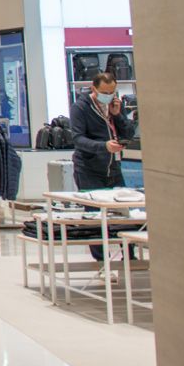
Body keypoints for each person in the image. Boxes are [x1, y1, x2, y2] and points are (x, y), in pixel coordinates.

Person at [70, 71, 136, 261]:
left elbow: (129, 132)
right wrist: (103, 146)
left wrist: (118, 116)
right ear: (94, 89)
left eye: (112, 91)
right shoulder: (80, 108)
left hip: (113, 167)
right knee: (94, 216)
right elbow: (78, 139)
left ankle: (129, 257)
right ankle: (101, 261)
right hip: (89, 168)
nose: (108, 95)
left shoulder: (115, 105)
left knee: (125, 212)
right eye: (104, 92)